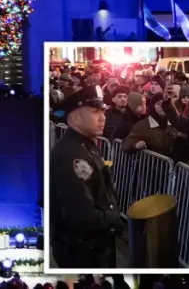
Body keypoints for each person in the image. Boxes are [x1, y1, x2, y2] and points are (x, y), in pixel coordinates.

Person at [49, 85, 120, 268]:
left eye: (103, 111)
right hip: (83, 251)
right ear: (76, 117)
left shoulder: (85, 145)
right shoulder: (72, 154)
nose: (103, 118)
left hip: (94, 248)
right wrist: (113, 217)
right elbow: (80, 216)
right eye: (95, 111)